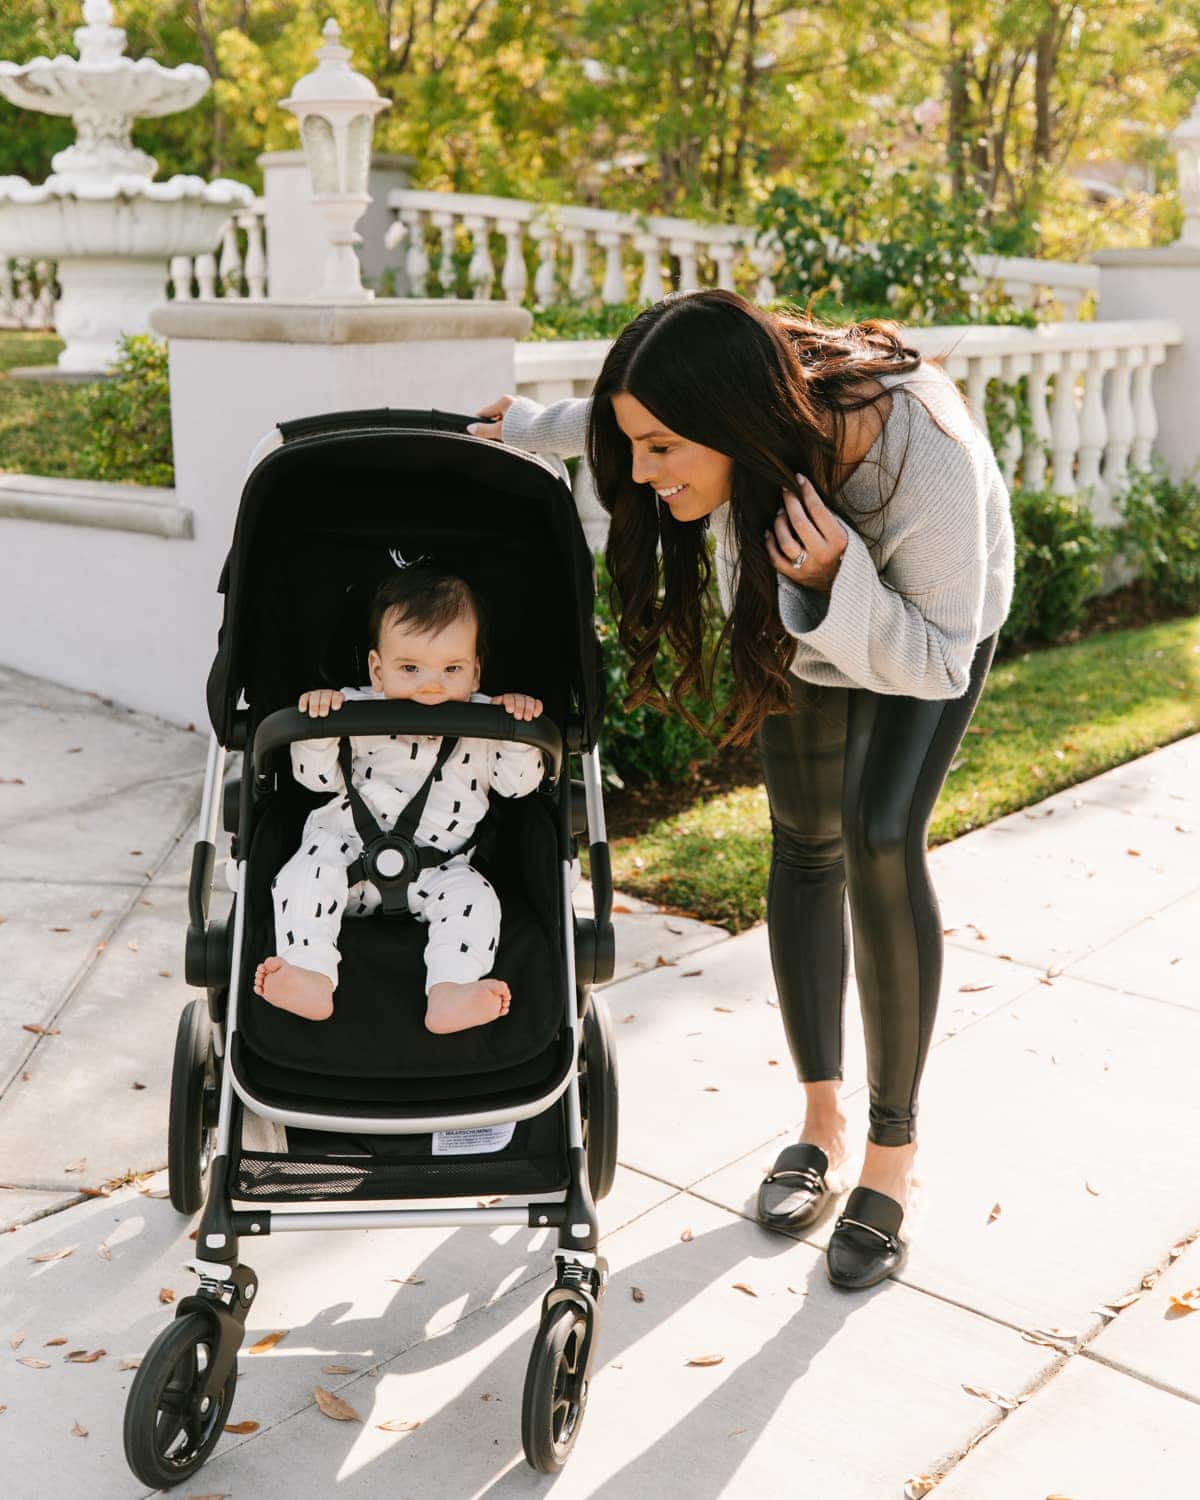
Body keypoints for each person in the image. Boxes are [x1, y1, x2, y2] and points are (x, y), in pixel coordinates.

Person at [468, 289, 1013, 1289]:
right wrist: (534, 427)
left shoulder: (923, 456)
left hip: (931, 630)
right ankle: (822, 1124)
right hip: (804, 597)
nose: (643, 473)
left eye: (663, 450)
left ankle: (891, 1158)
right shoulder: (745, 415)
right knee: (805, 842)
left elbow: (937, 660)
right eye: (637, 447)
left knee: (879, 840)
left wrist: (841, 576)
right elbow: (630, 422)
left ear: (733, 424)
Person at [254, 561, 544, 1036]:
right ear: (378, 669)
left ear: (475, 672)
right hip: (343, 854)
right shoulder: (353, 709)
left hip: (439, 869)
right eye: (409, 668)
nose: (431, 685)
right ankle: (309, 974)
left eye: (452, 669)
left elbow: (518, 784)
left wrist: (517, 730)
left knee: (476, 900)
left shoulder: (487, 722)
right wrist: (319, 727)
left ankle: (451, 990)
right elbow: (314, 779)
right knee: (303, 878)